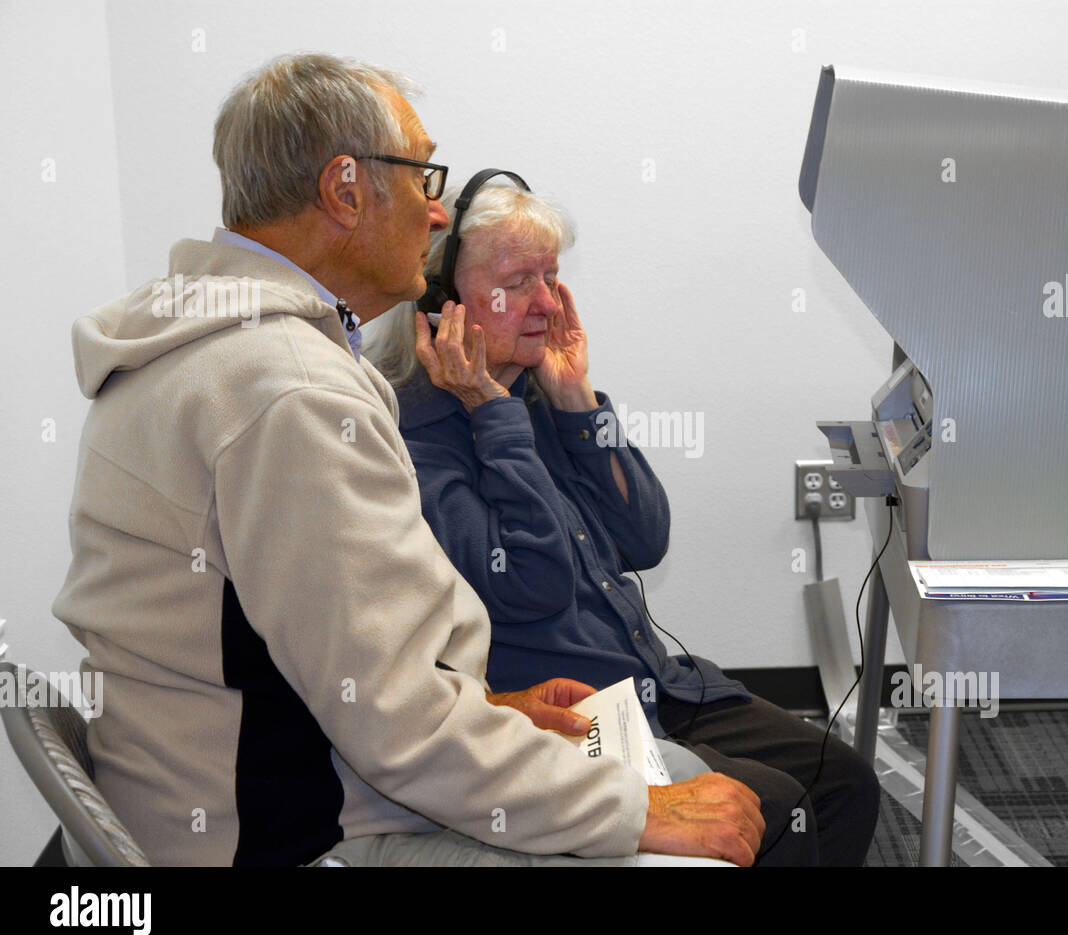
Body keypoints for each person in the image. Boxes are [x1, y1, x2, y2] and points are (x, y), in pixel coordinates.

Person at [50, 52, 764, 867]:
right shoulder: (290, 392)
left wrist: (488, 703)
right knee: (692, 846)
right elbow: (396, 721)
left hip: (257, 780)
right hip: (282, 834)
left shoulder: (220, 348)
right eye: (424, 179)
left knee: (679, 773)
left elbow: (352, 669)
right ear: (346, 191)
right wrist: (628, 814)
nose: (434, 215)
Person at [365, 180, 880, 865]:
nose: (547, 303)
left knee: (845, 781)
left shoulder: (537, 396)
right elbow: (531, 586)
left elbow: (645, 536)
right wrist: (494, 420)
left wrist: (577, 401)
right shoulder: (415, 438)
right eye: (519, 281)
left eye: (551, 277)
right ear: (439, 306)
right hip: (569, 712)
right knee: (779, 809)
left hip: (656, 684)